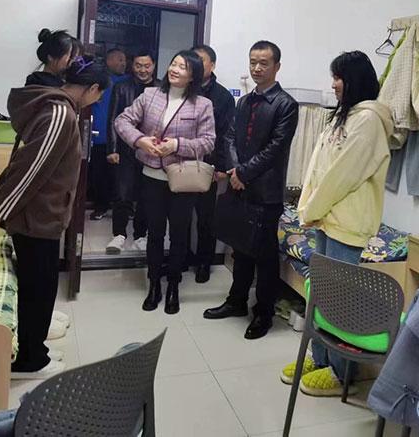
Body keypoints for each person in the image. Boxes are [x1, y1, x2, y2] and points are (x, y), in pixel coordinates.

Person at [0, 57, 111, 379]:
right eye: (98, 95)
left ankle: (35, 348)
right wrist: (0, 209)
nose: (97, 101)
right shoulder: (60, 113)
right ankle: (29, 361)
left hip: (44, 214)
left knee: (41, 285)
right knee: (38, 288)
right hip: (37, 217)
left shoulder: (59, 108)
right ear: (92, 88)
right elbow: (30, 168)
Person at [279, 50, 394, 396]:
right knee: (321, 295)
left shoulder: (369, 120)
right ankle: (320, 358)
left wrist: (311, 208)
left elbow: (343, 175)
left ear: (354, 80)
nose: (333, 84)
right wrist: (307, 208)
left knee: (341, 301)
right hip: (326, 218)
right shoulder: (344, 116)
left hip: (347, 223)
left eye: (338, 78)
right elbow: (317, 167)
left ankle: (342, 372)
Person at [203, 40, 299, 340]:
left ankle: (264, 313)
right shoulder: (244, 102)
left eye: (263, 63)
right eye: (253, 62)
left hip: (266, 193)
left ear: (276, 67)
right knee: (240, 247)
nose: (257, 68)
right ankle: (236, 301)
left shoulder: (285, 104)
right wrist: (235, 171)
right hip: (239, 187)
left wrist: (242, 173)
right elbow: (230, 137)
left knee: (265, 257)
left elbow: (275, 148)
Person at [115, 50, 215, 314]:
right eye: (173, 64)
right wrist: (140, 140)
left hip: (182, 179)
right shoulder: (150, 95)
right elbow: (122, 121)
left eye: (183, 67)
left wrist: (177, 145)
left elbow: (208, 142)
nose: (175, 69)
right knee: (155, 234)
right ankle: (154, 285)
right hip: (152, 177)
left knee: (179, 235)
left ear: (193, 75)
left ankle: (173, 286)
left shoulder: (202, 104)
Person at [189, 44, 235, 282]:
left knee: (206, 218)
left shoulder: (223, 97)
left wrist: (222, 167)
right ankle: (181, 258)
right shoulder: (182, 88)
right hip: (179, 162)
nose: (196, 64)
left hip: (208, 164)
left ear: (212, 65)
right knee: (179, 217)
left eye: (201, 60)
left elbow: (227, 135)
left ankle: (204, 262)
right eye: (193, 60)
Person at [105, 50, 158, 254]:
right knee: (122, 193)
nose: (142, 70)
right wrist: (112, 148)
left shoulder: (161, 88)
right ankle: (118, 235)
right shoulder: (121, 87)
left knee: (146, 195)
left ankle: (140, 235)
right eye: (138, 65)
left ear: (153, 66)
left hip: (151, 151)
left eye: (147, 66)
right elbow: (113, 118)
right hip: (125, 149)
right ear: (132, 66)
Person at [89, 48, 129, 221]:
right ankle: (101, 207)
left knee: (121, 177)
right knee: (99, 175)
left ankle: (124, 209)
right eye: (119, 59)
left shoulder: (128, 82)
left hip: (121, 138)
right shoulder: (99, 81)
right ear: (108, 61)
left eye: (124, 60)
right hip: (99, 137)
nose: (123, 63)